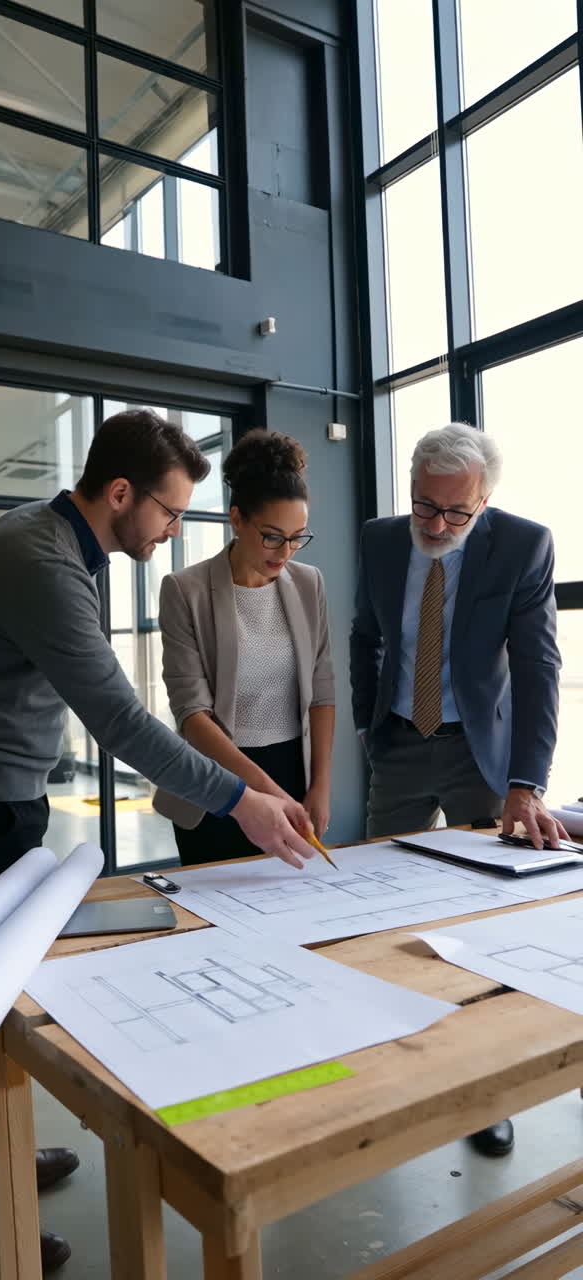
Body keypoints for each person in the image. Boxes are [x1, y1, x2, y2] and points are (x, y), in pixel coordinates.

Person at [0, 409, 317, 1277]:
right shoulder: (45, 562)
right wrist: (244, 801)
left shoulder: (40, 539)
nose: (172, 530)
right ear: (120, 493)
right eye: (168, 510)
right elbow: (117, 717)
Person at [349, 420, 566, 1158]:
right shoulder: (380, 540)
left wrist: (525, 784)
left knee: (490, 927)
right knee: (378, 911)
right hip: (401, 744)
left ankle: (487, 1092)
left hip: (483, 757)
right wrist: (363, 724)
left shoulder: (524, 544)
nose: (436, 526)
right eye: (424, 507)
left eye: (455, 513)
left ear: (485, 500)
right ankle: (386, 1063)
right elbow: (364, 635)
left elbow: (538, 668)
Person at [154, 429, 335, 865]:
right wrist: (268, 794)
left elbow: (323, 690)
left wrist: (319, 787)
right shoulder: (185, 590)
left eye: (297, 537)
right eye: (273, 536)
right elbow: (193, 717)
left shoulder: (309, 584)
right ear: (237, 520)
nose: (285, 551)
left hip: (293, 771)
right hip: (216, 783)